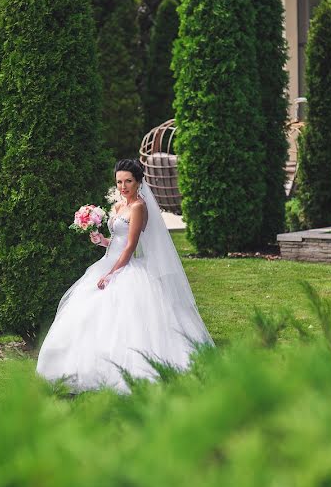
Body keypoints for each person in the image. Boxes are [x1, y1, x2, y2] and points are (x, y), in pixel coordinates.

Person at [36, 159, 213, 393]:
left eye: (128, 181)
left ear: (138, 181)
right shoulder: (119, 206)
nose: (123, 186)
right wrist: (102, 241)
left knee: (127, 319)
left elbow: (130, 247)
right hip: (110, 261)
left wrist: (111, 273)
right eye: (119, 181)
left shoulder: (139, 207)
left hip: (125, 267)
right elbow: (118, 242)